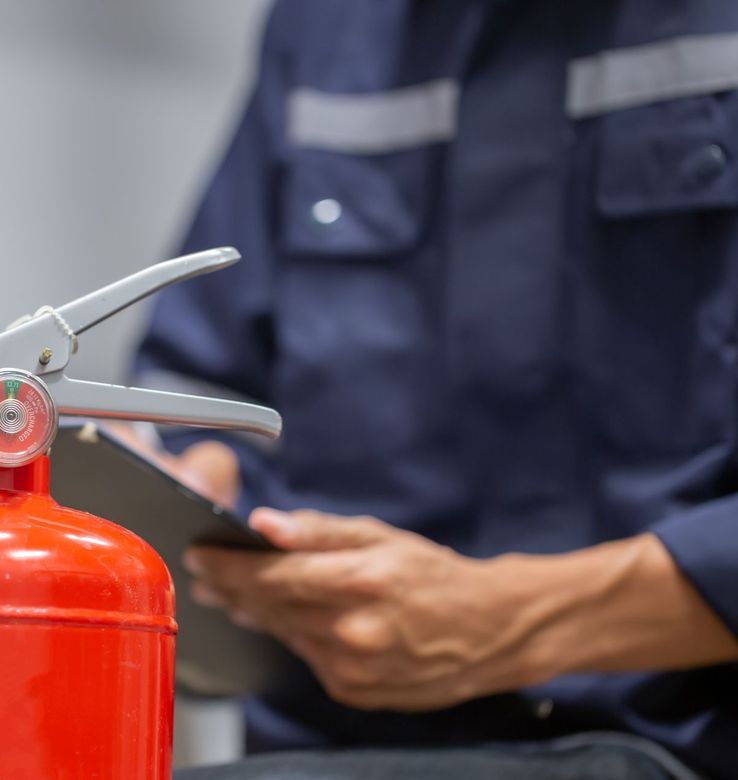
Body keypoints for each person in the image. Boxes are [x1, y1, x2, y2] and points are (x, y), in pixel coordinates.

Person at [135, 2, 738, 778]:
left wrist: (525, 621)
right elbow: (198, 381)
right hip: (332, 743)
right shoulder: (325, 29)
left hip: (683, 744)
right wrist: (195, 477)